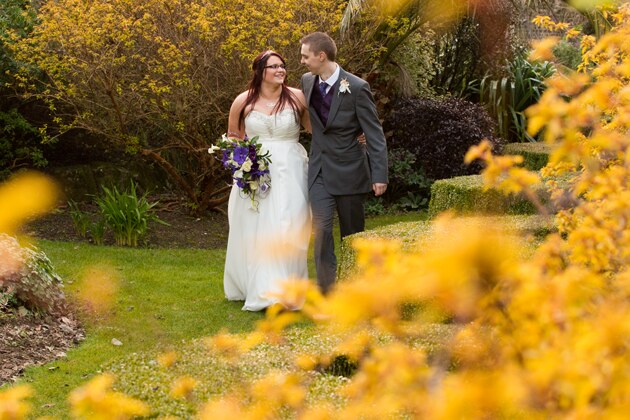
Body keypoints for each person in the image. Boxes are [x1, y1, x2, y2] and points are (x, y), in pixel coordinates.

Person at [300, 32, 388, 294]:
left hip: (349, 170)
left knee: (353, 235)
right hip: (319, 170)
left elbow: (374, 133)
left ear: (321, 56)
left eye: (305, 56)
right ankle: (327, 292)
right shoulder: (306, 81)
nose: (302, 61)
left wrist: (379, 174)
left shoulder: (357, 87)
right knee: (322, 230)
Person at [223, 50, 312, 311]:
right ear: (260, 71)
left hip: (292, 170)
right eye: (273, 67)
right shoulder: (243, 101)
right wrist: (244, 165)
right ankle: (266, 291)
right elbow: (233, 138)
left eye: (282, 66)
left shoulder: (297, 97)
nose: (280, 70)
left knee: (290, 225)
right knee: (259, 229)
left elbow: (315, 129)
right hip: (257, 173)